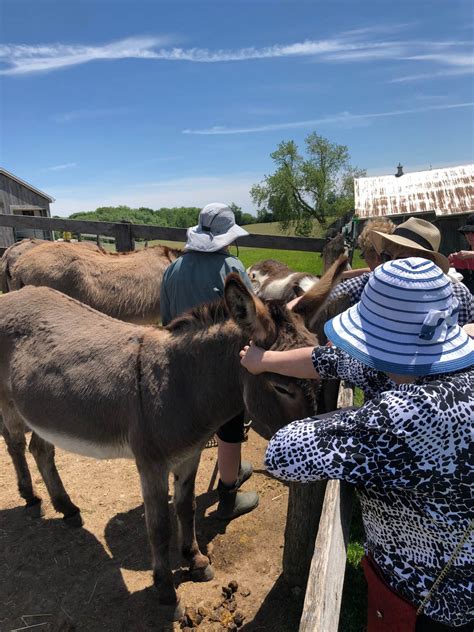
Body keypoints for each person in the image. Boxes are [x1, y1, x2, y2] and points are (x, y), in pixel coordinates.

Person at [240, 257, 474, 631]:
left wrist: (350, 421)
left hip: (432, 598)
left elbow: (285, 453)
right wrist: (264, 359)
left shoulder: (404, 417)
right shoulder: (450, 372)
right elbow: (329, 360)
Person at [160, 203, 259, 520]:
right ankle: (228, 495)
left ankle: (185, 490)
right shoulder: (233, 267)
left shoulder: (172, 270)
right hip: (222, 369)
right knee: (229, 429)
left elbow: (165, 320)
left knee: (189, 429)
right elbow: (250, 318)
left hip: (180, 366)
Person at [329, 217, 473, 326]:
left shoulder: (458, 295)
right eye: (386, 257)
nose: (392, 265)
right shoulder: (369, 282)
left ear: (428, 263)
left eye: (404, 260)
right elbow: (322, 301)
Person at [449, 213, 474, 295]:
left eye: (473, 232)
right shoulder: (464, 256)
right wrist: (453, 265)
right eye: (467, 232)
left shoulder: (467, 254)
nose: (470, 235)